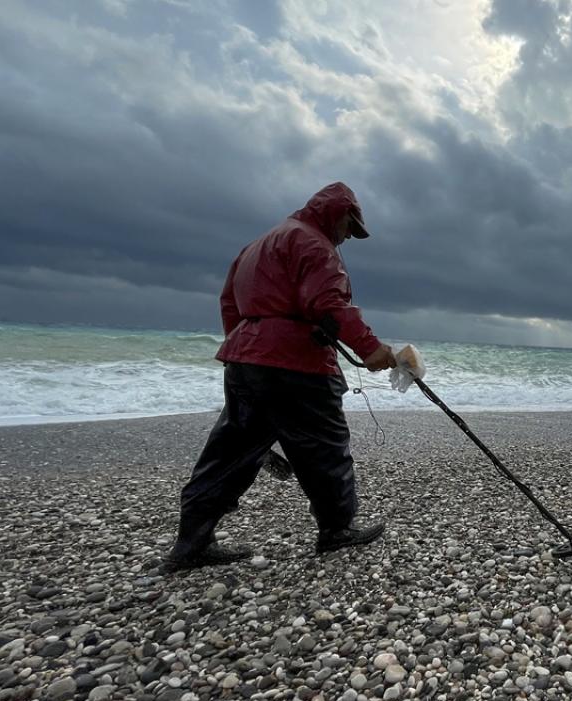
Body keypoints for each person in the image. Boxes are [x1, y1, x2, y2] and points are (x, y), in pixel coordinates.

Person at [161, 182, 397, 572]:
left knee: (229, 452)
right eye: (349, 227)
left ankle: (191, 544)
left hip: (246, 359)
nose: (346, 237)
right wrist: (369, 348)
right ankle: (337, 529)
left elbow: (229, 303)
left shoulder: (257, 246)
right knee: (325, 447)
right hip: (297, 364)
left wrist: (243, 350)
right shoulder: (314, 245)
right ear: (336, 214)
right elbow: (328, 303)